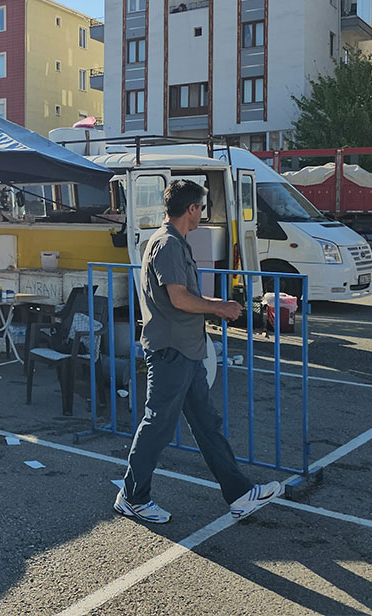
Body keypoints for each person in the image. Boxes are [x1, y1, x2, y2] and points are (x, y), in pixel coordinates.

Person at [116, 179, 283, 524]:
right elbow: (179, 298)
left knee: (207, 425)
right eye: (202, 208)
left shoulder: (173, 242)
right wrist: (219, 307)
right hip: (171, 350)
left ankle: (239, 494)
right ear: (191, 209)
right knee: (158, 425)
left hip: (186, 350)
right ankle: (132, 496)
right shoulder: (167, 245)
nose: (202, 214)